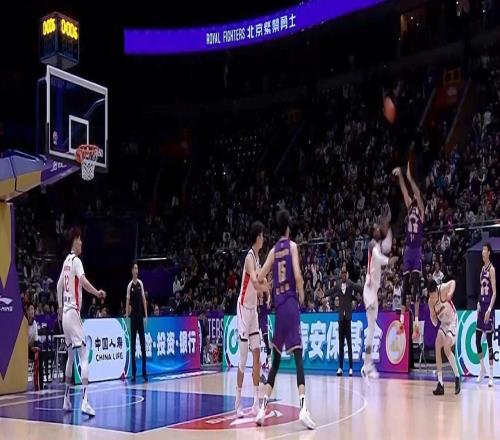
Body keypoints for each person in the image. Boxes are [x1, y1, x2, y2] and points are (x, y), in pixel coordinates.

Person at [255, 210, 315, 429]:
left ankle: (262, 409)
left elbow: (259, 277)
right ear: (288, 227)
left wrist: (268, 288)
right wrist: (302, 294)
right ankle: (303, 408)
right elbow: (298, 275)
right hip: (290, 304)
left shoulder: (272, 251)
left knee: (276, 361)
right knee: (298, 357)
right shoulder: (292, 247)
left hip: (278, 309)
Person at [57, 226, 106, 416]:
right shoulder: (76, 261)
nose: (82, 243)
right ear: (75, 240)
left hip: (65, 315)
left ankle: (66, 400)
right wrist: (97, 292)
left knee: (71, 356)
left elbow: (59, 286)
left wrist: (60, 307)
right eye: (80, 239)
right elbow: (84, 282)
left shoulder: (65, 262)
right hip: (73, 312)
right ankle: (85, 401)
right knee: (84, 355)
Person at [235, 221, 269, 417]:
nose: (263, 239)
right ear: (257, 237)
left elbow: (261, 281)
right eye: (262, 236)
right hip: (243, 309)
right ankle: (238, 401)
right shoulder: (249, 258)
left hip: (254, 310)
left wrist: (268, 292)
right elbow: (256, 283)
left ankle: (256, 401)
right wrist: (267, 288)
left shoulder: (258, 259)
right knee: (243, 358)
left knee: (257, 354)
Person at [393, 163, 424, 333]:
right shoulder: (409, 206)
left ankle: (417, 321)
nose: (412, 196)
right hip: (408, 250)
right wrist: (400, 176)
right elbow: (404, 191)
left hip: (416, 249)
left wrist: (410, 178)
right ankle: (401, 321)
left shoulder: (421, 210)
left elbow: (416, 193)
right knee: (405, 285)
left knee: (416, 285)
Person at [362, 219, 394, 379]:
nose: (377, 230)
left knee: (372, 330)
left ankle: (367, 365)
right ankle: (367, 366)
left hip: (373, 292)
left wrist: (389, 227)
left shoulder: (378, 245)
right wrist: (388, 261)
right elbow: (378, 256)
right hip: (369, 291)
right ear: (372, 233)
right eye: (375, 229)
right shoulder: (371, 245)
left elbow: (387, 246)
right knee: (371, 330)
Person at [428, 279, 460, 395]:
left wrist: (450, 293)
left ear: (436, 290)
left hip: (452, 321)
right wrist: (433, 317)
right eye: (430, 296)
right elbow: (434, 321)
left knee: (446, 348)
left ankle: (457, 376)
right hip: (444, 324)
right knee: (437, 345)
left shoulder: (442, 289)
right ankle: (440, 383)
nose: (432, 298)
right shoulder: (430, 302)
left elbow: (453, 282)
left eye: (433, 295)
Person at [334, 268, 361, 376]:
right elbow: (331, 290)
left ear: (347, 274)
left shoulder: (350, 285)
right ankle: (340, 368)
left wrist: (365, 288)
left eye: (345, 273)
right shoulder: (338, 285)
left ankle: (350, 368)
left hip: (348, 319)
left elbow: (357, 287)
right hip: (341, 319)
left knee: (349, 344)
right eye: (342, 273)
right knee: (341, 344)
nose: (344, 275)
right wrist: (324, 294)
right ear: (341, 275)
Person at [476, 243, 496, 387]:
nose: (482, 251)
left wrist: (489, 309)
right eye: (482, 249)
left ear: (488, 252)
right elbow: (480, 289)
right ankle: (482, 369)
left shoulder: (491, 269)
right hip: (481, 307)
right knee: (477, 340)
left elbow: (494, 292)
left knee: (489, 342)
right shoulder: (482, 269)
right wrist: (478, 302)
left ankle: (491, 376)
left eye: (484, 249)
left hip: (488, 307)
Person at [126, 262, 148, 382]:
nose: (136, 270)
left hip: (140, 318)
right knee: (133, 346)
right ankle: (134, 374)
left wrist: (146, 315)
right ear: (132, 271)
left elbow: (144, 299)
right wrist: (127, 318)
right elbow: (127, 302)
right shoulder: (130, 286)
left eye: (137, 268)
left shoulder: (141, 283)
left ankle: (144, 372)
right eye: (134, 268)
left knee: (143, 346)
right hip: (133, 319)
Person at [27, 304, 43, 390]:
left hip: (31, 348)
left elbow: (36, 339)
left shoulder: (35, 324)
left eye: (33, 309)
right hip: (23, 349)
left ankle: (39, 384)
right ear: (27, 311)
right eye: (30, 309)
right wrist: (30, 347)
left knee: (40, 355)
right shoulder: (23, 323)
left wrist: (36, 348)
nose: (32, 311)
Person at [258, 289, 271, 369]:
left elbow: (269, 294)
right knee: (255, 341)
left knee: (266, 338)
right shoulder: (255, 287)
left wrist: (268, 301)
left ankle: (269, 360)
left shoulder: (264, 284)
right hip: (256, 316)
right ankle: (257, 363)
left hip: (263, 316)